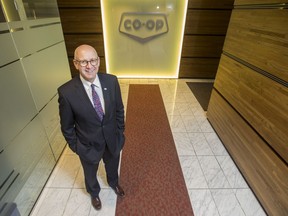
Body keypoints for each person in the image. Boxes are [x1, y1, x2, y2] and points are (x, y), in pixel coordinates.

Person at [57, 44, 125, 210]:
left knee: (112, 165)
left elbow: (119, 109)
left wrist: (119, 133)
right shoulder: (66, 92)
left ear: (98, 61)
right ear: (75, 64)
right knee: (90, 173)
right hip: (87, 145)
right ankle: (94, 193)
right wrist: (78, 148)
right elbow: (67, 127)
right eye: (83, 62)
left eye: (93, 60)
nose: (89, 66)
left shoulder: (111, 80)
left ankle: (113, 183)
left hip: (112, 140)